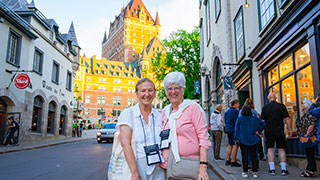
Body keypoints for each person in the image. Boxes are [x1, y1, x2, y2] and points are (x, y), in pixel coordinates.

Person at [160, 72, 211, 180]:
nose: (173, 92)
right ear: (166, 91)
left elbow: (204, 137)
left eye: (176, 88)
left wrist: (203, 167)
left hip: (188, 165)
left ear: (183, 89)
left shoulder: (192, 108)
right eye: (169, 88)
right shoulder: (165, 111)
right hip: (167, 166)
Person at [117, 78, 165, 180]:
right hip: (137, 164)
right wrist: (134, 173)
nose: (147, 94)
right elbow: (126, 144)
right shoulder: (128, 114)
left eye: (150, 90)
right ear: (137, 93)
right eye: (143, 91)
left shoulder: (159, 116)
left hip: (158, 166)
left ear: (154, 93)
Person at [261, 92, 292, 176]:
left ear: (268, 98)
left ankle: (272, 169)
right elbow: (287, 119)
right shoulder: (282, 106)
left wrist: (262, 131)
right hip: (280, 130)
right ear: (276, 98)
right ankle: (283, 169)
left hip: (269, 130)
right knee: (281, 149)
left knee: (270, 149)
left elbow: (262, 121)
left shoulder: (265, 107)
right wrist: (289, 129)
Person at [235, 105, 265, 178]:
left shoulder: (239, 119)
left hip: (243, 139)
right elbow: (263, 123)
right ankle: (254, 171)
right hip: (254, 139)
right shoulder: (254, 119)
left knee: (244, 156)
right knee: (254, 156)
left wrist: (236, 138)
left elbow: (236, 129)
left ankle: (245, 171)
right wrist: (259, 132)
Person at [296, 100, 317, 178]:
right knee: (309, 153)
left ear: (307, 106)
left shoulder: (311, 114)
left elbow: (312, 125)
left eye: (303, 104)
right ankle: (310, 170)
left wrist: (307, 134)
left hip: (310, 137)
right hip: (306, 136)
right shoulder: (306, 114)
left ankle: (310, 171)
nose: (302, 106)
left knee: (310, 153)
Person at [224, 99, 241, 167]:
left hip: (228, 129)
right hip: (233, 130)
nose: (238, 105)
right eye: (238, 103)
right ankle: (233, 161)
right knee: (235, 145)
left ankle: (228, 160)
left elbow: (225, 121)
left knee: (230, 144)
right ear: (235, 104)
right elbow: (236, 122)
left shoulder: (227, 112)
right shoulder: (235, 111)